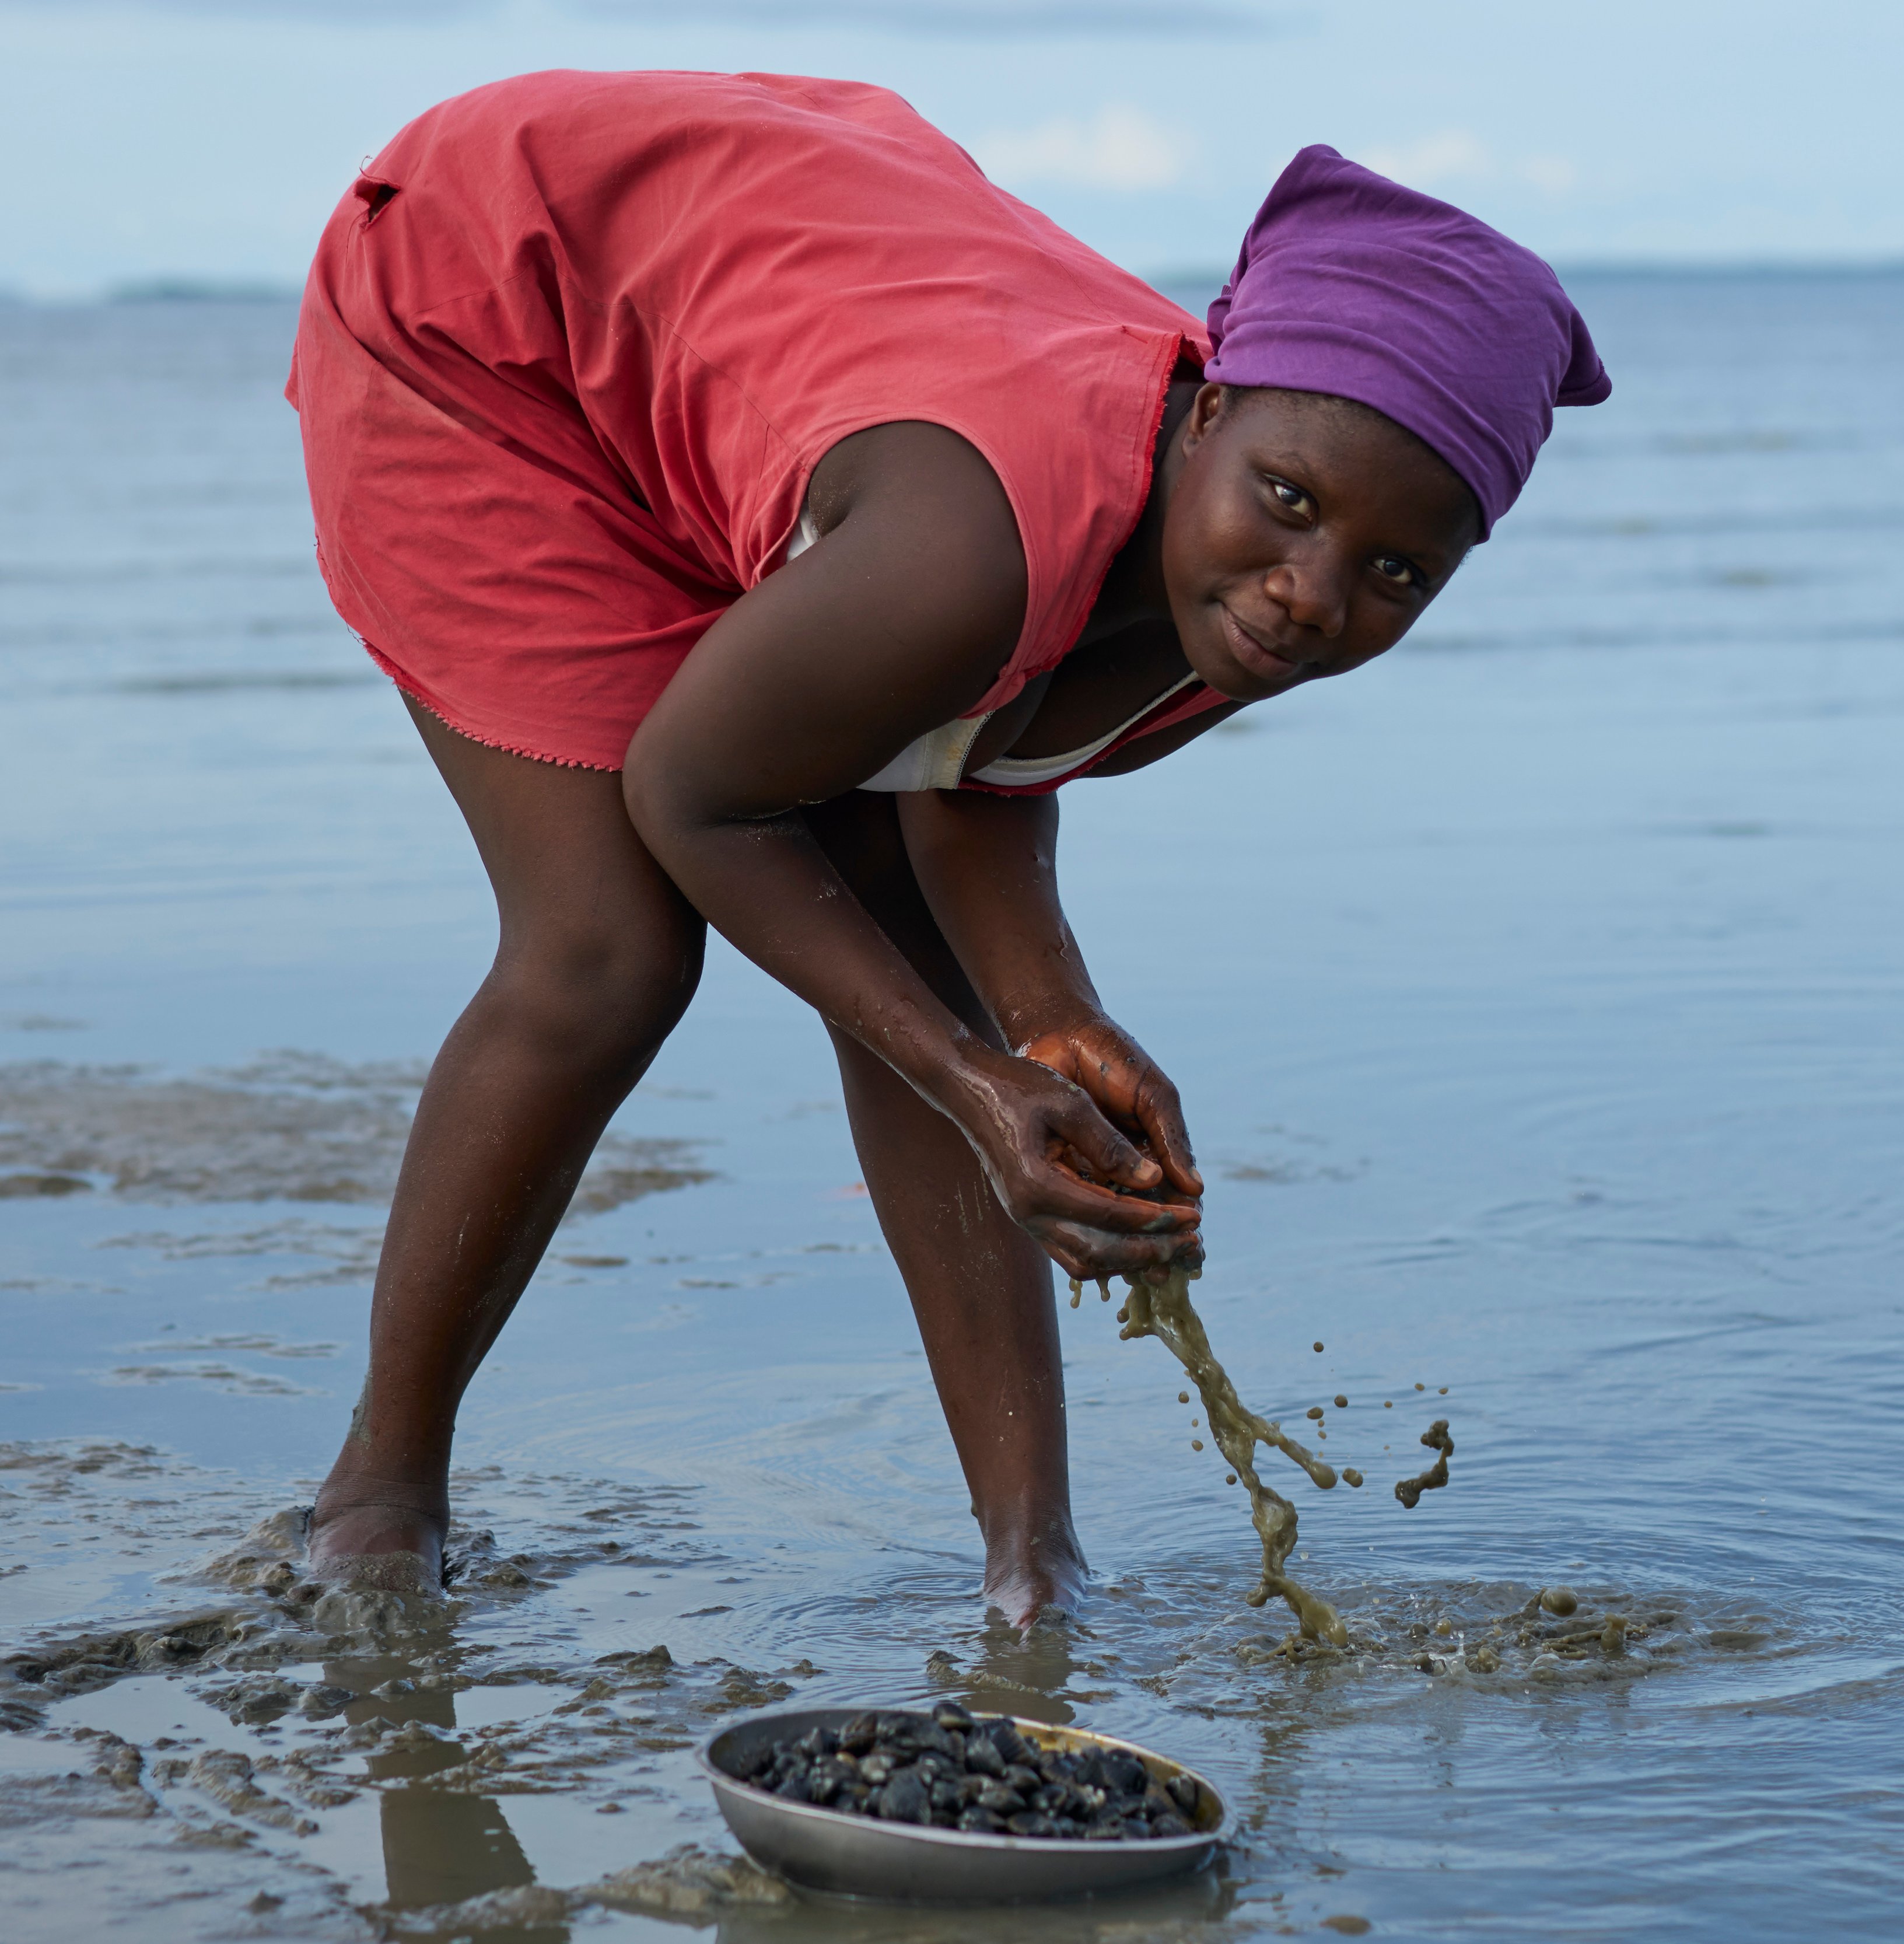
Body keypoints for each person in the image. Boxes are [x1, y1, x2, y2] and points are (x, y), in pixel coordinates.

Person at [286, 69, 1609, 1627]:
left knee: (911, 950)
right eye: (1288, 500)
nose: (1313, 593)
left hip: (787, 312)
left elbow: (964, 770)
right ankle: (379, 1493)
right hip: (492, 289)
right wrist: (973, 1080)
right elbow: (692, 793)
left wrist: (1049, 1019)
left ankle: (1035, 1568)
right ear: (1209, 407)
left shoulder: (1230, 598)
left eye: (1396, 573)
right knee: (611, 952)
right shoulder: (966, 550)